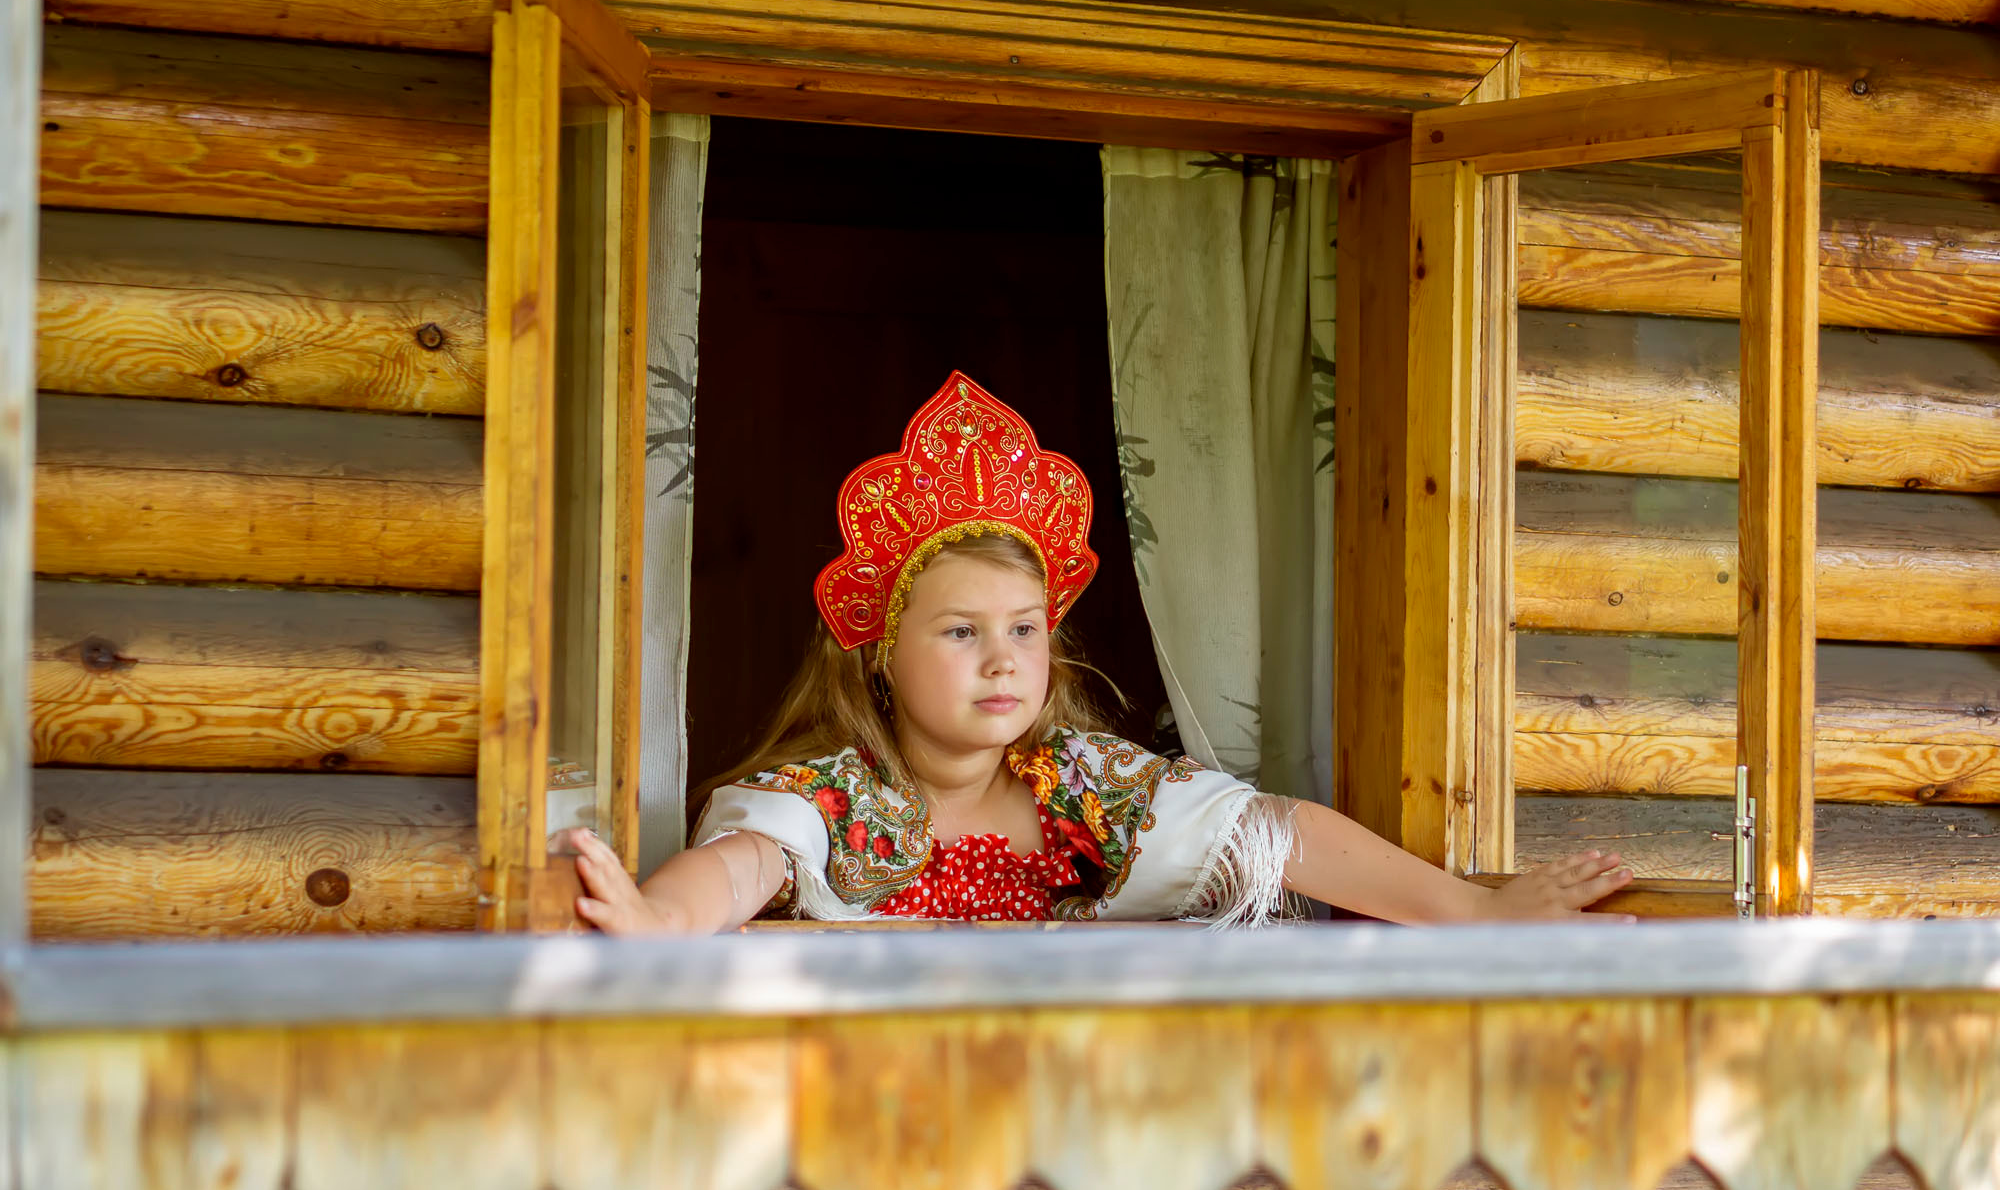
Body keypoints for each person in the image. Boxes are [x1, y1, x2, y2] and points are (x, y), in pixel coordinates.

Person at [567, 372, 1633, 935]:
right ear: (879, 656)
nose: (1002, 661)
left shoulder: (1081, 789)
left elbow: (1273, 834)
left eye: (1023, 631)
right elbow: (746, 863)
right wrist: (661, 916)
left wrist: (1470, 907)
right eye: (959, 632)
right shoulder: (840, 799)